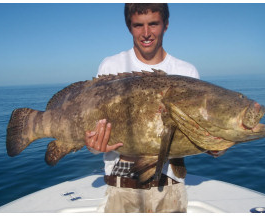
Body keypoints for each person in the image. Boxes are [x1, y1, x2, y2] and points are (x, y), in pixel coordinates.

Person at [85, 3, 199, 213]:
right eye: (138, 25)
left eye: (153, 24)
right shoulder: (110, 66)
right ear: (130, 27)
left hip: (169, 190)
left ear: (165, 25)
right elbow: (92, 139)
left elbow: (195, 135)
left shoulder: (186, 72)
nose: (146, 33)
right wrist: (93, 144)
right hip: (121, 190)